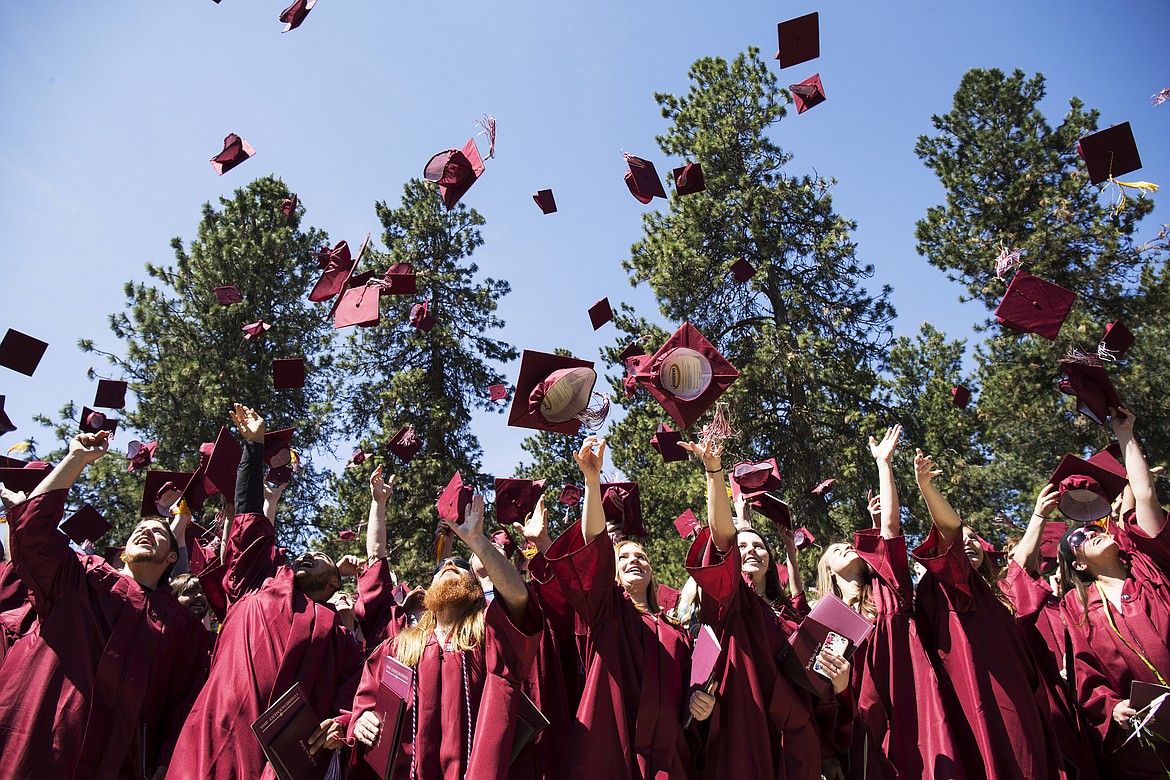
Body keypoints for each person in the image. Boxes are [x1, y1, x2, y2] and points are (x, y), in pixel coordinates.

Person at [168, 404, 363, 779]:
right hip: (214, 732)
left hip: (278, 762)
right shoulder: (262, 578)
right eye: (305, 553)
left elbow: (352, 696)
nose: (306, 555)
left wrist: (340, 724)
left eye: (319, 557)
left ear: (335, 580)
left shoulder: (340, 636)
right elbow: (247, 517)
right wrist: (253, 447)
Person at [0, 430, 209, 780]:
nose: (146, 531)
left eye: (158, 532)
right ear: (124, 550)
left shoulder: (181, 625)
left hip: (119, 761)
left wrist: (165, 760)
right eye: (139, 529)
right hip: (36, 735)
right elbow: (32, 535)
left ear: (172, 556)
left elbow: (183, 701)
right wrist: (76, 459)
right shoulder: (83, 578)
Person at [337, 490, 543, 780]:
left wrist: (478, 541)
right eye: (441, 568)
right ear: (427, 591)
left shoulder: (489, 635)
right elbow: (365, 705)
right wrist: (362, 721)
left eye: (460, 567)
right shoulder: (398, 648)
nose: (449, 565)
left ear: (473, 588)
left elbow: (519, 600)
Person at [540, 436, 698, 779]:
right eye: (623, 557)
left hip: (671, 761)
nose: (634, 560)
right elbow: (593, 544)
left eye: (640, 556)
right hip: (614, 754)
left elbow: (693, 697)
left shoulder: (676, 633)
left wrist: (704, 704)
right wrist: (592, 481)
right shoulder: (608, 610)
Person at [815, 425, 966, 778]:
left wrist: (884, 464)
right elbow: (823, 696)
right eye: (836, 549)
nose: (846, 546)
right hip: (867, 722)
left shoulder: (887, 587)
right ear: (827, 571)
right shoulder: (826, 623)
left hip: (916, 702)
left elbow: (891, 529)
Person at [681, 438, 827, 780]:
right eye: (742, 545)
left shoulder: (788, 618)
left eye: (759, 545)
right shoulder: (731, 602)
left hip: (794, 742)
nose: (751, 549)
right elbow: (722, 537)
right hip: (744, 730)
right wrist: (714, 472)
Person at [913, 447, 1058, 779]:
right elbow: (950, 529)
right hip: (986, 702)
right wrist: (925, 486)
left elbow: (1022, 562)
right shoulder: (955, 591)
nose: (966, 542)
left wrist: (1037, 515)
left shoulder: (1004, 591)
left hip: (1024, 699)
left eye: (973, 538)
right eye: (959, 540)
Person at [1060, 407, 1170, 777]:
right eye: (1080, 536)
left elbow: (1145, 495)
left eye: (1094, 527)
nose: (1091, 531)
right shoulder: (1079, 610)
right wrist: (1113, 708)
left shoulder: (1146, 563)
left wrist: (1125, 434)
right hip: (1157, 736)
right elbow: (1088, 678)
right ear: (1077, 564)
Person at [1001, 483, 1098, 779]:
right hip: (1044, 694)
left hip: (1083, 694)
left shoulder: (1062, 599)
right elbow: (1020, 570)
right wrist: (1038, 516)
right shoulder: (1012, 598)